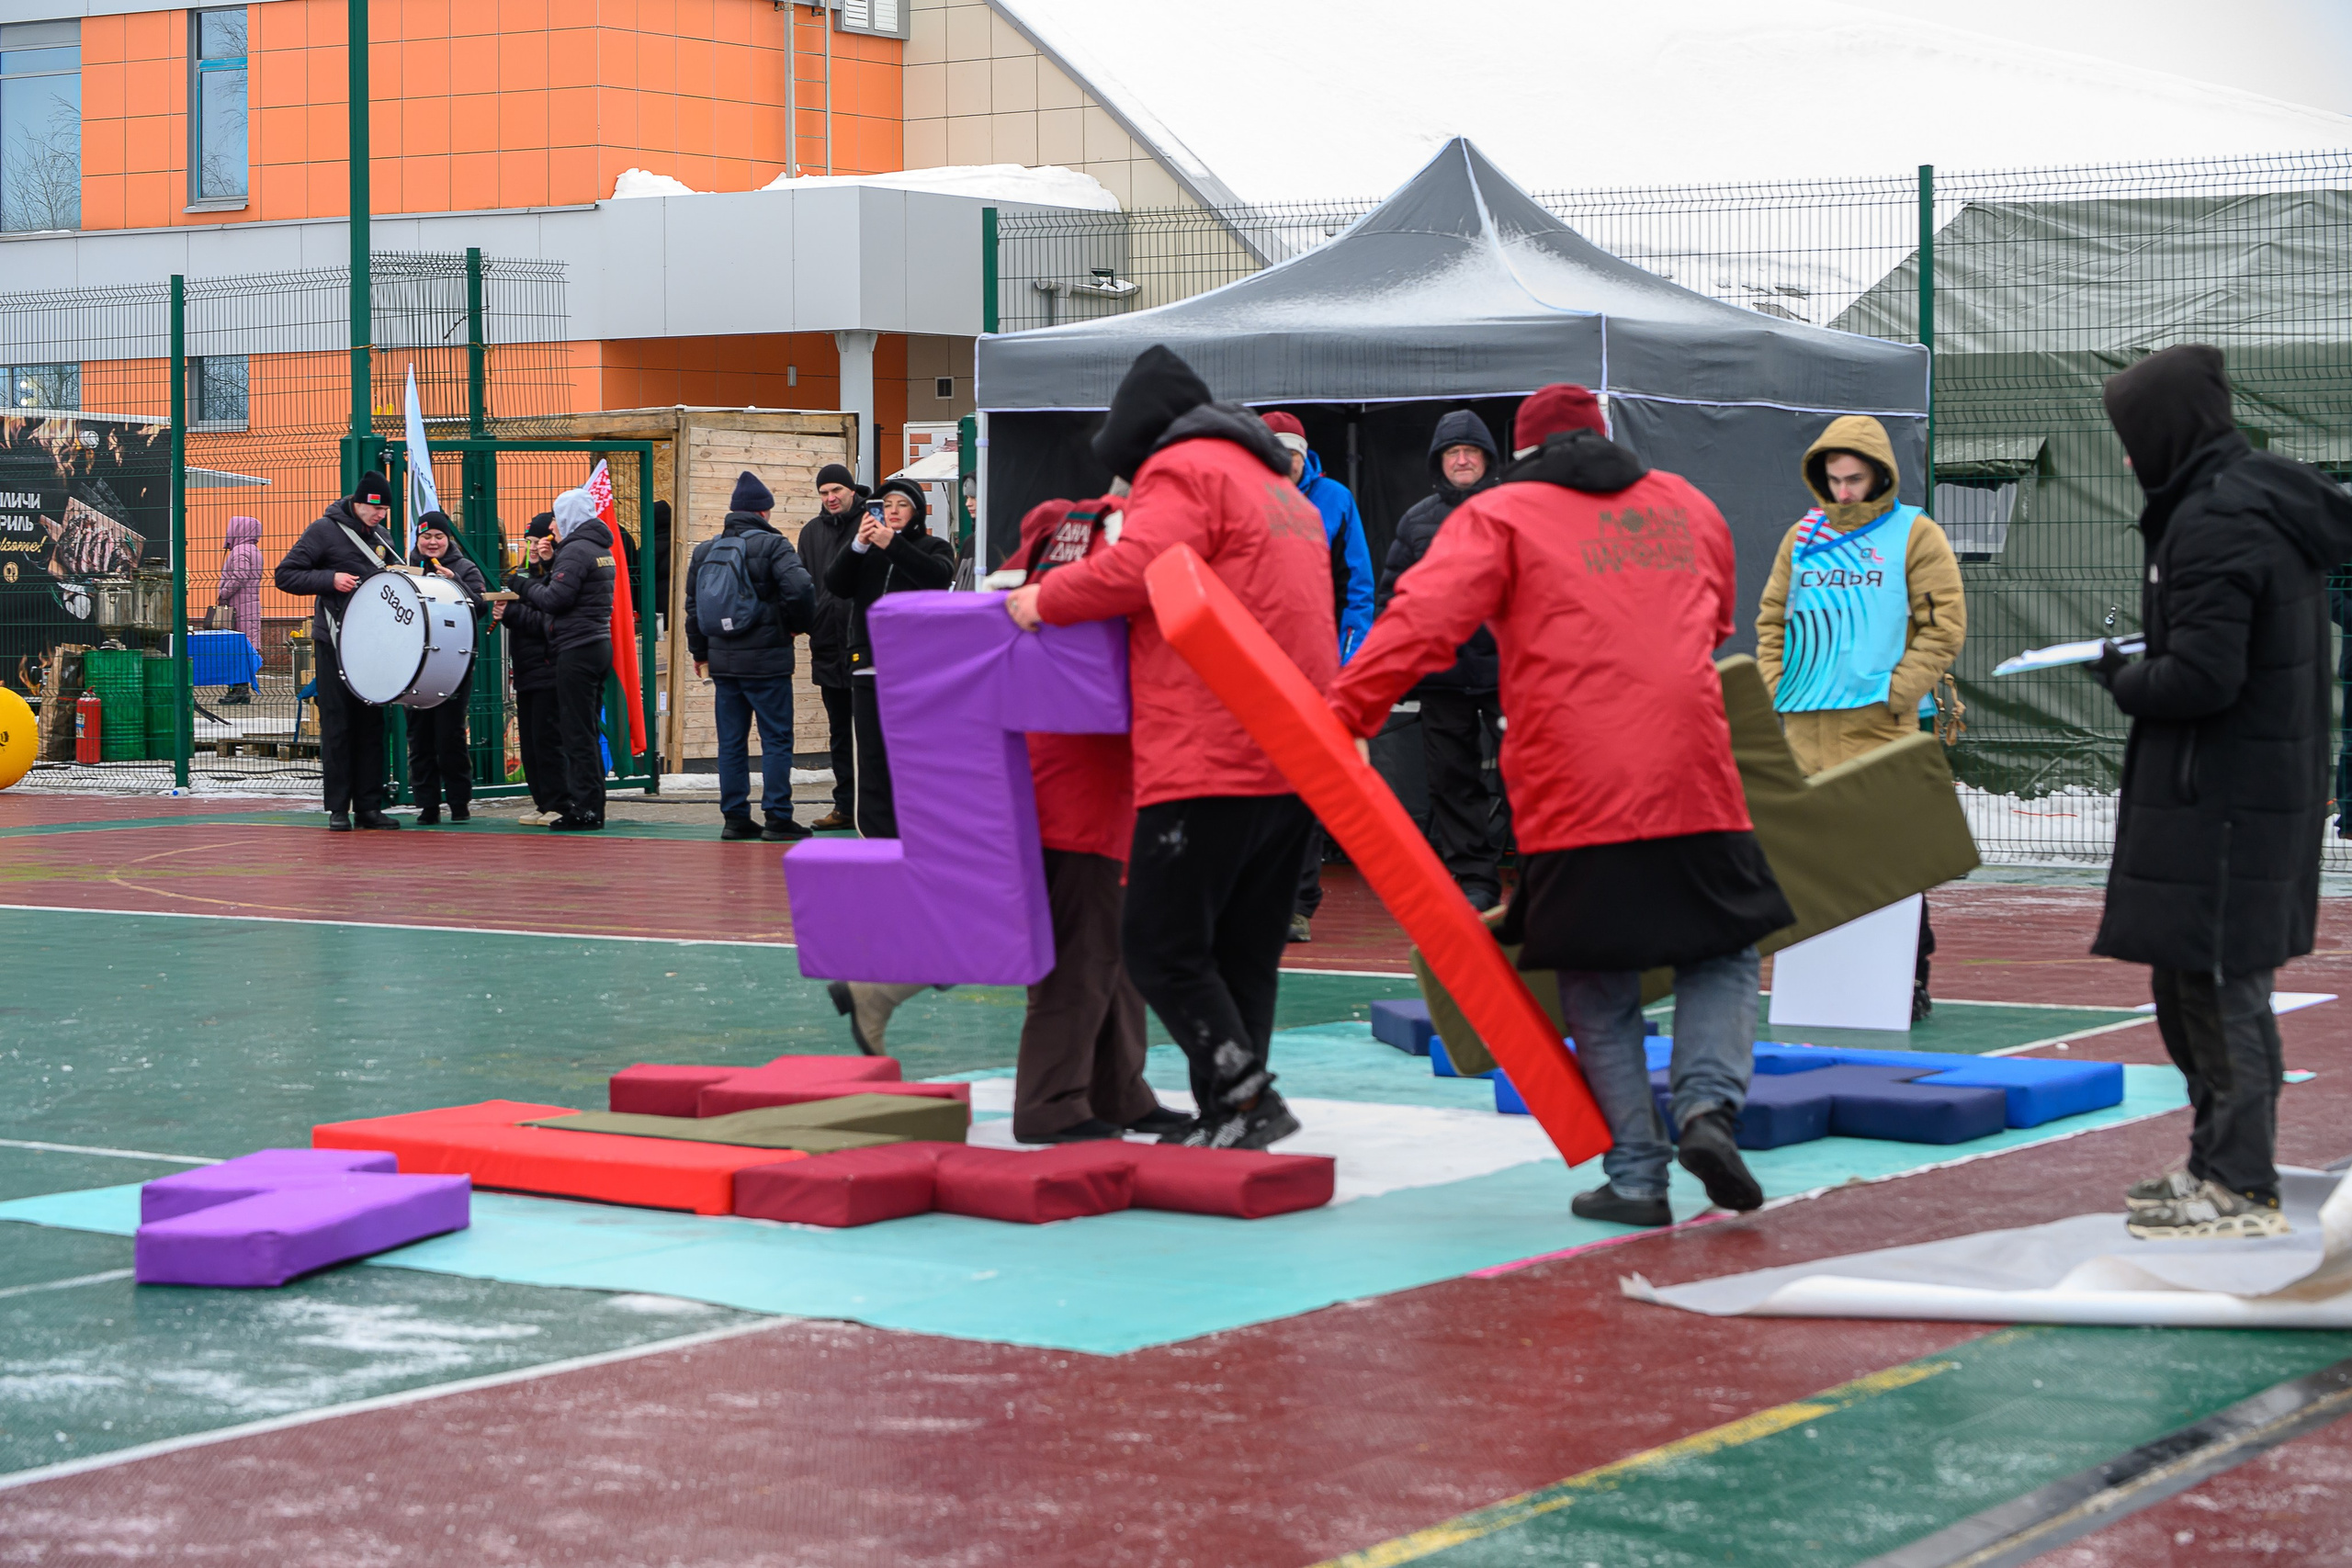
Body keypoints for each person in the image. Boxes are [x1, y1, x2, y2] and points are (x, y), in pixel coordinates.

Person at [1329, 384, 1795, 1227]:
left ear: (1522, 450)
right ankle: (1707, 1110)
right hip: (1694, 773)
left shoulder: (1500, 515)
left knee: (1598, 982)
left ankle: (1638, 1176)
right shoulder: (1685, 503)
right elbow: (1718, 618)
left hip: (1573, 787)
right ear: (1604, 436)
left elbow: (1418, 622)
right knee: (1724, 949)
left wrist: (1345, 714)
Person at [1005, 344, 1339, 1151]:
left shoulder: (1184, 469)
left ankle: (1241, 1090)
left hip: (1211, 744)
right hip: (1295, 750)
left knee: (1155, 942)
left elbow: (1138, 569)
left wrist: (1043, 598)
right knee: (1244, 951)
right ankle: (1230, 1113)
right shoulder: (1278, 488)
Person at [2087, 344, 2352, 1240]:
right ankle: (2215, 1164)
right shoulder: (2233, 504)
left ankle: (2240, 1184)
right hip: (2231, 790)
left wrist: (2120, 678)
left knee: (2219, 988)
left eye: (2132, 438)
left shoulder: (2217, 521)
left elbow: (2202, 678)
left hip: (2226, 798)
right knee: (2186, 983)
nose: (2128, 457)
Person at [1755, 415, 1966, 1021]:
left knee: (1889, 857)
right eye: (1834, 478)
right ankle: (1825, 981)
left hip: (1878, 723)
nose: (1843, 491)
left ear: (1880, 474)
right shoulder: (1803, 535)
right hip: (1805, 726)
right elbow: (1772, 617)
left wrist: (1898, 692)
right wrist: (1777, 683)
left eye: (1854, 478)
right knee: (1817, 857)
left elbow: (1943, 623)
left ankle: (1911, 974)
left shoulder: (1914, 533)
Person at [991, 496, 1186, 1143]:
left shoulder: (1054, 559)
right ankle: (1050, 1101)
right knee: (1083, 955)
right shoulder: (1085, 565)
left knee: (1116, 952)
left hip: (1102, 791)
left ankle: (1118, 1088)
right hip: (1080, 796)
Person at [1379, 409, 1507, 911]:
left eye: (1470, 452)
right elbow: (1393, 599)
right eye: (1452, 453)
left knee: (1528, 777)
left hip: (1507, 678)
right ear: (1439, 461)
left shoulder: (1513, 510)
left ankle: (1541, 879)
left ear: (1486, 459)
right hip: (1442, 680)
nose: (1461, 460)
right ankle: (1474, 881)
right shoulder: (1416, 521)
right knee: (1453, 785)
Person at [1261, 412, 1375, 943]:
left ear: (1305, 454)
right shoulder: (1239, 498)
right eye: (1274, 447)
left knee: (1305, 786)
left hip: (1315, 669)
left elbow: (1359, 590)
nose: (1285, 458)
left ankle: (1298, 904)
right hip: (1251, 668)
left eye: (1292, 449)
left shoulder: (1335, 500)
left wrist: (1345, 661)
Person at [687, 469, 818, 842]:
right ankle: (777, 817)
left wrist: (700, 652)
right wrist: (794, 626)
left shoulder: (705, 550)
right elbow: (802, 587)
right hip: (767, 662)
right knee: (776, 738)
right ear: (764, 513)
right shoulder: (774, 546)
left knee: (731, 741)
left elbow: (693, 608)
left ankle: (735, 818)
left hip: (723, 663)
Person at [823, 474, 956, 840]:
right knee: (871, 754)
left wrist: (893, 545)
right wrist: (859, 546)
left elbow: (938, 578)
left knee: (914, 751)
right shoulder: (866, 549)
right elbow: (835, 584)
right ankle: (877, 833)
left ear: (916, 513)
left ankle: (920, 827)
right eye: (887, 505)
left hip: (915, 666)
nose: (894, 512)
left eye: (902, 505)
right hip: (866, 662)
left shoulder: (934, 546)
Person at [274, 469, 405, 831]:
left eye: (385, 511)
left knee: (371, 726)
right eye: (374, 509)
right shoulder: (324, 530)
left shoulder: (383, 537)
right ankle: (337, 808)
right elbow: (285, 574)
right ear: (358, 502)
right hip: (334, 641)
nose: (380, 516)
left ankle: (369, 807)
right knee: (337, 724)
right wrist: (329, 579)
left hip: (375, 643)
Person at [513, 486, 616, 832]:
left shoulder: (576, 550)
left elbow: (556, 598)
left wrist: (521, 586)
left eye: (557, 518)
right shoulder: (599, 549)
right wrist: (551, 562)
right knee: (584, 728)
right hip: (598, 644)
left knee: (576, 732)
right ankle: (592, 805)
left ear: (570, 517)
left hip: (577, 648)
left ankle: (585, 809)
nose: (553, 526)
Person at [405, 511, 488, 825]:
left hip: (454, 663)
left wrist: (456, 585)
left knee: (450, 735)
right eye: (426, 537)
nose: (432, 543)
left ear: (448, 539)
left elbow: (479, 606)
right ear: (418, 539)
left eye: (438, 537)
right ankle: (427, 804)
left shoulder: (464, 567)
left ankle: (459, 803)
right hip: (413, 666)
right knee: (419, 736)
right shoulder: (408, 568)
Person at [798, 463, 868, 830]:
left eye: (836, 490)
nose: (830, 498)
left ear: (851, 490)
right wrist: (810, 621)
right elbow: (804, 584)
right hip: (827, 644)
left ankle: (876, 807)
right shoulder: (811, 533)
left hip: (868, 645)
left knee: (872, 732)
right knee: (840, 732)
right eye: (824, 493)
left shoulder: (871, 525)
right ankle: (845, 806)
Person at [496, 513, 570, 825]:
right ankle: (542, 801)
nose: (531, 550)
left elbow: (547, 623)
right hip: (526, 671)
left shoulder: (555, 581)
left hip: (547, 669)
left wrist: (512, 614)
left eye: (536, 543)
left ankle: (559, 801)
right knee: (530, 741)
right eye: (527, 543)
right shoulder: (528, 579)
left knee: (548, 739)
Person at [212, 515, 263, 705]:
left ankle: (238, 691)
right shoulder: (254, 550)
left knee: (235, 647)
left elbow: (240, 576)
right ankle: (240, 689)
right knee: (243, 647)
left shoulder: (240, 550)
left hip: (238, 607)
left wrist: (224, 593)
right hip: (249, 605)